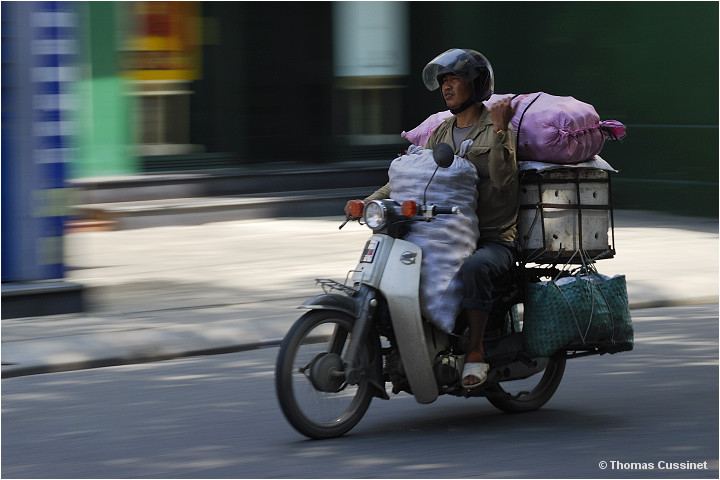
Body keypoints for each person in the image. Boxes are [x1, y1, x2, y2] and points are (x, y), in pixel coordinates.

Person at [344, 48, 519, 389]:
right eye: (444, 81)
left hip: (494, 238)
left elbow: (503, 180)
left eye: (455, 79)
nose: (447, 87)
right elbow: (410, 178)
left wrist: (500, 131)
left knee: (475, 268)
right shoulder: (440, 132)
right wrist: (366, 203)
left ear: (477, 83)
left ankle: (475, 353)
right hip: (444, 234)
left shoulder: (496, 129)